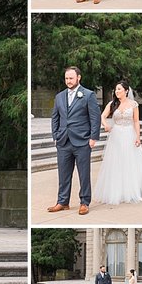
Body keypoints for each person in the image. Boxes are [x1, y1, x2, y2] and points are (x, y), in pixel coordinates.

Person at [92, 81, 142, 205]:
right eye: (115, 89)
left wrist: (138, 137)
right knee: (116, 162)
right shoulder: (112, 104)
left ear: (126, 91)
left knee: (130, 161)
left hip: (129, 134)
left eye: (119, 89)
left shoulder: (133, 104)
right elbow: (102, 116)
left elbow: (136, 122)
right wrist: (106, 125)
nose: (116, 91)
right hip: (116, 135)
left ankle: (131, 189)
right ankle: (117, 190)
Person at [48, 67, 101, 216]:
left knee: (84, 174)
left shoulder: (88, 95)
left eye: (71, 78)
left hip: (82, 141)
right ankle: (63, 201)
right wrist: (55, 136)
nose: (68, 81)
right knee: (63, 174)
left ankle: (84, 202)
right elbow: (55, 118)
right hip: (63, 141)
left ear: (79, 78)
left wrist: (93, 137)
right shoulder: (59, 96)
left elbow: (95, 118)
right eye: (66, 78)